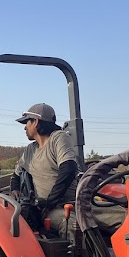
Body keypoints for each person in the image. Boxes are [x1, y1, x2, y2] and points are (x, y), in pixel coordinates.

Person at [10, 102, 81, 239]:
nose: (25, 127)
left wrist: (50, 200)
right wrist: (15, 189)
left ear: (35, 122)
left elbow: (68, 168)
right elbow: (16, 174)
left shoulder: (58, 137)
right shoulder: (30, 150)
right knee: (72, 225)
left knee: (123, 216)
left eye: (27, 122)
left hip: (74, 204)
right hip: (53, 210)